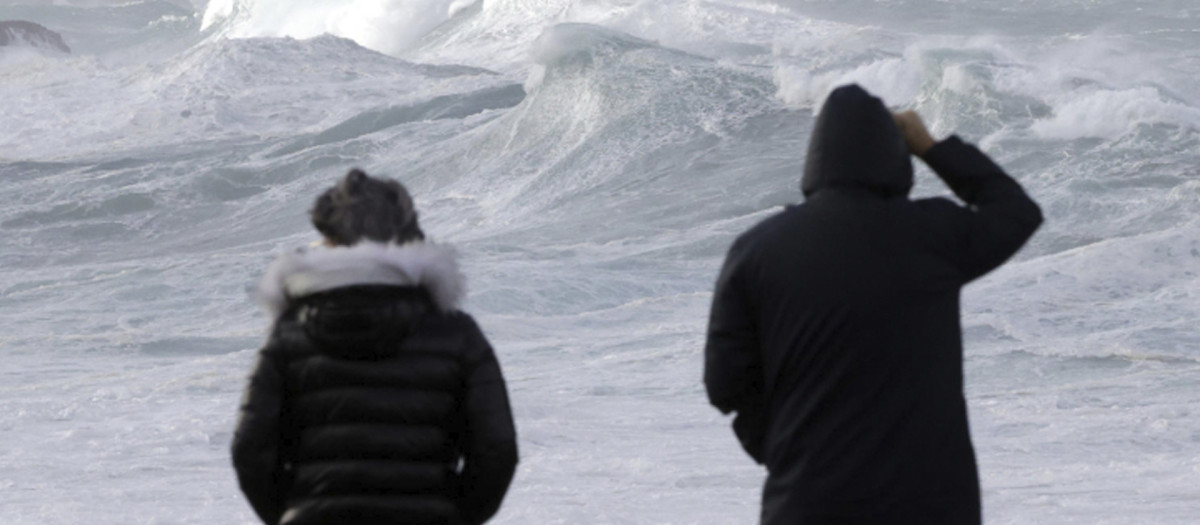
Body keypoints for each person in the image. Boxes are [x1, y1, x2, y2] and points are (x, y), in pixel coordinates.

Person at [704, 84, 1042, 524]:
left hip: (808, 503)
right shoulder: (931, 236)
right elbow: (1016, 212)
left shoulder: (757, 251)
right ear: (892, 155)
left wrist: (783, 452)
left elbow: (726, 384)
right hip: (930, 504)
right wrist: (932, 147)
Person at [232, 169, 518, 525]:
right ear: (407, 236)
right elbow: (497, 449)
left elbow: (250, 449)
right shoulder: (456, 333)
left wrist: (293, 512)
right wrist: (456, 514)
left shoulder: (290, 334)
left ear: (330, 238)